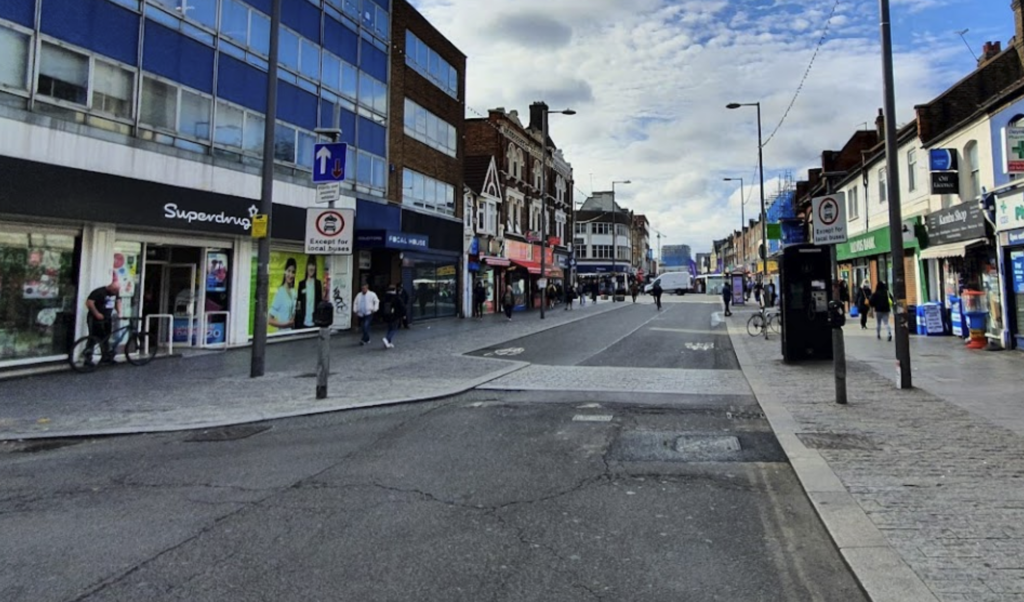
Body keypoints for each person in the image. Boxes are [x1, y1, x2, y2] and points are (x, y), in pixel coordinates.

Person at [84, 279, 121, 364]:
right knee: (93, 337)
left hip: (107, 318)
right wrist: (96, 313)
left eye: (116, 291)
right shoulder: (99, 292)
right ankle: (88, 358)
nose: (115, 293)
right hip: (94, 318)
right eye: (114, 290)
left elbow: (118, 301)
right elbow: (89, 303)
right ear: (110, 287)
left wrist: (119, 312)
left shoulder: (115, 293)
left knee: (106, 337)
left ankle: (105, 356)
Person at [294, 256, 323, 329]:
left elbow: (319, 302)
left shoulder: (318, 283)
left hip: (315, 321)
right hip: (303, 320)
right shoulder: (302, 284)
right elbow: (299, 301)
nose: (311, 268)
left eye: (313, 265)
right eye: (310, 265)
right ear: (307, 267)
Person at [268, 258, 297, 330]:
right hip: (283, 335)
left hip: (293, 334)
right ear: (285, 272)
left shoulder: (294, 292)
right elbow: (269, 320)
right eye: (288, 271)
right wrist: (286, 324)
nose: (290, 275)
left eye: (293, 272)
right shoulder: (280, 292)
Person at [381, 284, 406, 349]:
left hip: (387, 315)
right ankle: (387, 339)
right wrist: (403, 314)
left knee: (390, 328)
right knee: (394, 329)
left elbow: (381, 306)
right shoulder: (396, 297)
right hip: (395, 315)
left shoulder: (385, 297)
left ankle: (388, 342)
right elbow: (402, 306)